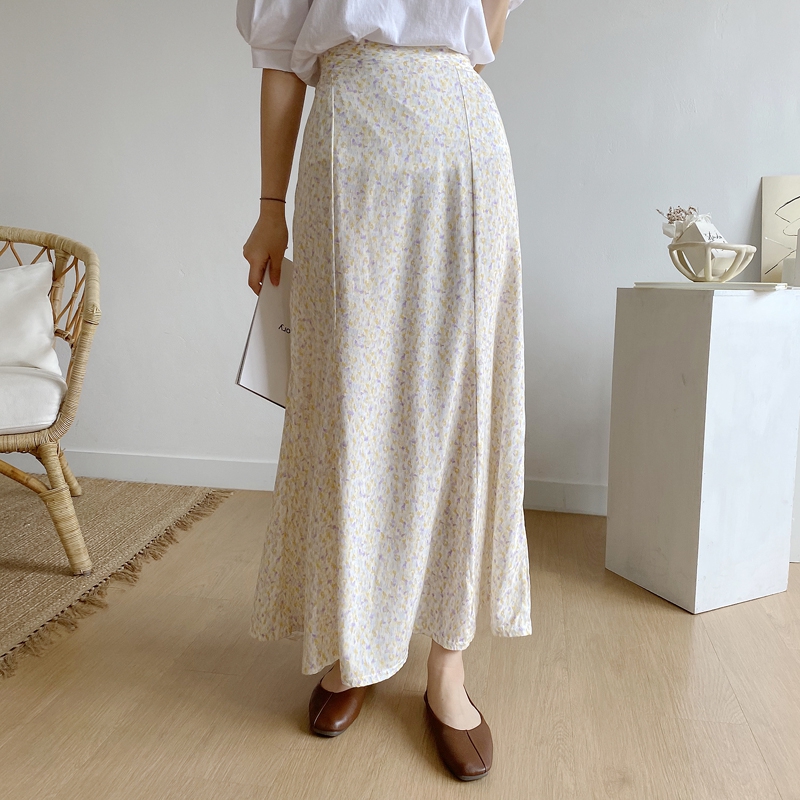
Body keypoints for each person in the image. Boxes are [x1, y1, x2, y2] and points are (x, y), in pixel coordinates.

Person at [237, 0, 531, 782]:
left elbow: (481, 43)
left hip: (461, 146)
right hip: (349, 140)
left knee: (461, 405)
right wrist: (270, 207)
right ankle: (354, 641)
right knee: (350, 406)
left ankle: (447, 664)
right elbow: (279, 56)